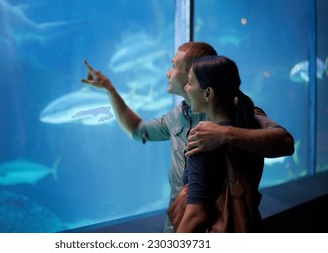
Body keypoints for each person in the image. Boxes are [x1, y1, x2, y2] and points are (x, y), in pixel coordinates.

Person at [81, 41, 294, 232]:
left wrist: (225, 133)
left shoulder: (239, 111)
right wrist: (109, 89)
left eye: (174, 66)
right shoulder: (177, 116)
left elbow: (284, 142)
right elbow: (138, 130)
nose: (167, 73)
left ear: (194, 71)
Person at [177, 55, 263, 232]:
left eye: (190, 82)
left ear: (208, 93)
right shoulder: (251, 130)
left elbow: (196, 215)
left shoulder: (203, 142)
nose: (186, 88)